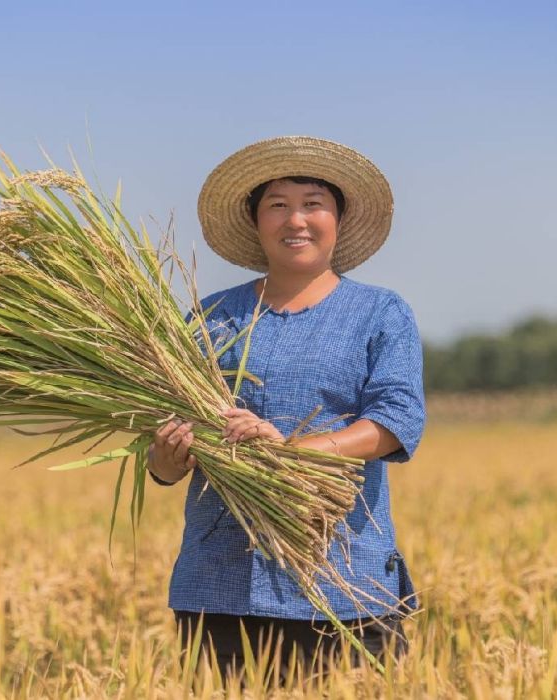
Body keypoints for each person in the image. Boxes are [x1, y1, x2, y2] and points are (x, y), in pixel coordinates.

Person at [147, 136, 426, 678]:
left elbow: (396, 422)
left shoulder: (380, 313)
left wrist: (290, 451)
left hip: (342, 582)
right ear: (256, 221)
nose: (295, 219)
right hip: (220, 587)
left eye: (313, 203)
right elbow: (162, 456)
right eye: (278, 204)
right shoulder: (211, 318)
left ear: (338, 219)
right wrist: (166, 459)